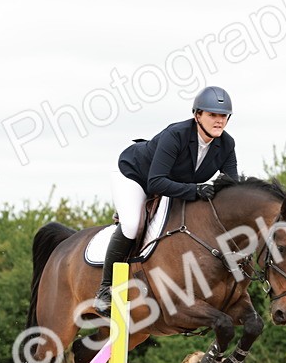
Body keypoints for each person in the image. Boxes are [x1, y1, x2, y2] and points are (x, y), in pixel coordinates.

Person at [94, 85, 238, 311]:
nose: (219, 121)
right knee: (131, 225)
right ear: (197, 115)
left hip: (174, 184)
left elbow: (232, 187)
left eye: (223, 116)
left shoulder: (227, 144)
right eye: (212, 115)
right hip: (136, 176)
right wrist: (196, 190)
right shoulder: (176, 135)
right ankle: (104, 289)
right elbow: (156, 182)